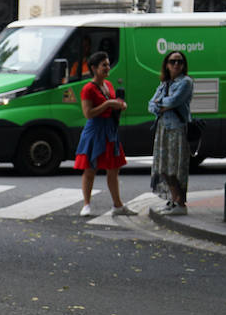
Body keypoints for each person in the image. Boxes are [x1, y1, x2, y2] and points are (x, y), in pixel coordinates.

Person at [74, 51, 136, 217]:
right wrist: (108, 104)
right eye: (104, 65)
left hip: (110, 130)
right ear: (94, 68)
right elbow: (88, 113)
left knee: (113, 169)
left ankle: (117, 205)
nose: (108, 68)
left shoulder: (108, 85)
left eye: (108, 64)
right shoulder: (87, 89)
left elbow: (112, 104)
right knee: (90, 169)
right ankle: (86, 204)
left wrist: (120, 105)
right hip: (95, 130)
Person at [147, 49, 194, 216]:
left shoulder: (186, 82)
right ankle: (173, 200)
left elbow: (174, 101)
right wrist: (161, 104)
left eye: (180, 61)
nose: (176, 64)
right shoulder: (164, 84)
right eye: (173, 61)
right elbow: (151, 105)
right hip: (163, 129)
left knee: (175, 166)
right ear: (166, 65)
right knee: (164, 167)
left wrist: (161, 104)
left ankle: (180, 203)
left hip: (177, 129)